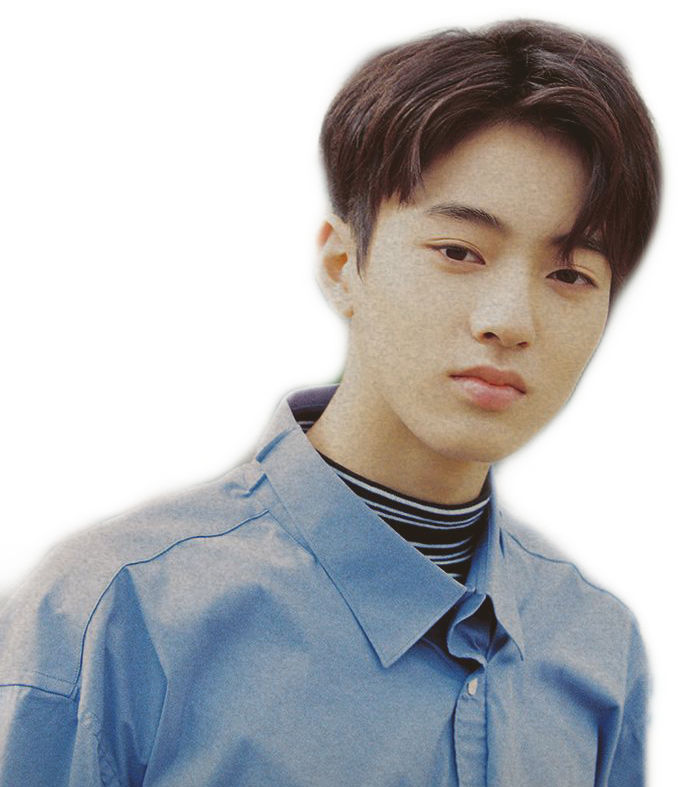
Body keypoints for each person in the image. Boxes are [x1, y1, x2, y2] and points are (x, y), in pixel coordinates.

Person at [0, 10, 669, 786]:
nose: (510, 321)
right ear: (339, 260)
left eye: (571, 274)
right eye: (459, 251)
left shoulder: (603, 637)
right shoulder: (110, 611)